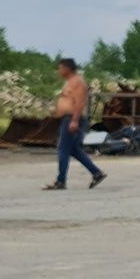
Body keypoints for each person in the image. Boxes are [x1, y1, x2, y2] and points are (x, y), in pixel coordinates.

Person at [46, 57, 106, 190]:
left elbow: (79, 103)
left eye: (60, 68)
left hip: (72, 119)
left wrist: (74, 120)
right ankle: (96, 173)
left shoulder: (78, 82)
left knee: (63, 149)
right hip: (67, 118)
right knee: (73, 150)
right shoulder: (70, 82)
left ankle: (60, 181)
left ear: (67, 68)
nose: (59, 71)